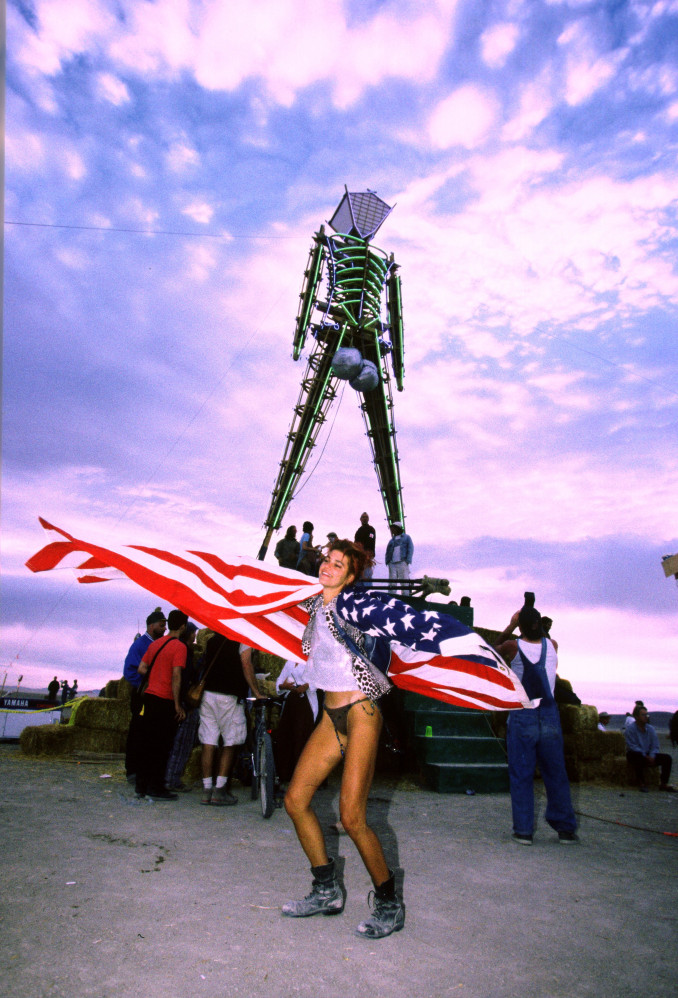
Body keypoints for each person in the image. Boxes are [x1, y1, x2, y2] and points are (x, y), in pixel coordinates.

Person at [282, 539, 404, 940]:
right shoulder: (314, 606)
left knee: (352, 817)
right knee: (295, 800)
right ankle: (326, 890)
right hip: (330, 717)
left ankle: (389, 903)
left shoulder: (354, 607)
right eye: (327, 561)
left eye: (338, 565)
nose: (328, 568)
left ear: (351, 577)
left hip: (360, 711)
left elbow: (385, 626)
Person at [496, 606, 578, 845]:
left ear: (520, 626)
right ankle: (565, 830)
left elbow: (489, 651)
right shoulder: (552, 646)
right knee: (556, 772)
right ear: (539, 624)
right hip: (550, 716)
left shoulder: (513, 647)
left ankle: (523, 831)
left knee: (521, 773)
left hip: (524, 715)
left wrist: (510, 625)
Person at [199, 634, 264, 805]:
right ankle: (219, 790)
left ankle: (206, 789)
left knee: (208, 741)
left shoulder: (212, 640)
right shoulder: (243, 638)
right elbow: (246, 664)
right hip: (229, 696)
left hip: (208, 695)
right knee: (230, 741)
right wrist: (257, 692)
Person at [135, 609, 188, 801]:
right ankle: (156, 786)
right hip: (165, 699)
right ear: (183, 626)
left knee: (147, 743)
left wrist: (155, 676)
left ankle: (141, 785)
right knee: (162, 745)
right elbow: (176, 676)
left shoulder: (156, 643)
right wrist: (177, 705)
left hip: (150, 697)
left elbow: (141, 668)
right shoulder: (180, 647)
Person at [123, 608, 167, 783]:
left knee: (150, 733)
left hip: (154, 694)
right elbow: (129, 670)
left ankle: (144, 769)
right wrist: (143, 685)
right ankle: (132, 770)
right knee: (138, 731)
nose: (164, 629)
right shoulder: (140, 645)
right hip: (143, 695)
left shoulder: (158, 643)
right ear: (151, 626)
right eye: (161, 625)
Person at [165, 621, 200, 792]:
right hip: (185, 705)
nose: (195, 636)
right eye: (194, 633)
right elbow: (183, 678)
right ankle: (172, 779)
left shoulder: (173, 647)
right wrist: (185, 704)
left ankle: (169, 776)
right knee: (182, 742)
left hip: (174, 701)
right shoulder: (184, 650)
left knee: (174, 742)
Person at [274, 659, 320, 785]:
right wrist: (285, 686)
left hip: (305, 702)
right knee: (287, 736)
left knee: (302, 737)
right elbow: (279, 681)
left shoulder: (311, 660)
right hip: (291, 701)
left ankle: (304, 776)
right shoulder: (289, 661)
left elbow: (319, 679)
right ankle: (286, 774)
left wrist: (306, 686)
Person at [624, 705, 674, 792]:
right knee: (636, 755)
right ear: (636, 717)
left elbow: (655, 745)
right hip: (636, 754)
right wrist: (645, 756)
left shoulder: (650, 729)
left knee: (667, 758)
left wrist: (652, 756)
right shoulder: (630, 729)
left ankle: (663, 784)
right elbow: (632, 746)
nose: (646, 717)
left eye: (647, 715)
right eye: (643, 715)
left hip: (648, 754)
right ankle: (641, 783)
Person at [385, 522, 413, 594]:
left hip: (402, 562)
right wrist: (388, 562)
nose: (392, 530)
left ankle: (405, 597)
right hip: (392, 563)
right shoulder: (391, 540)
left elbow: (410, 548)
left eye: (394, 528)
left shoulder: (407, 538)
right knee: (392, 582)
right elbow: (388, 551)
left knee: (404, 582)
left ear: (398, 528)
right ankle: (392, 596)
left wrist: (407, 561)